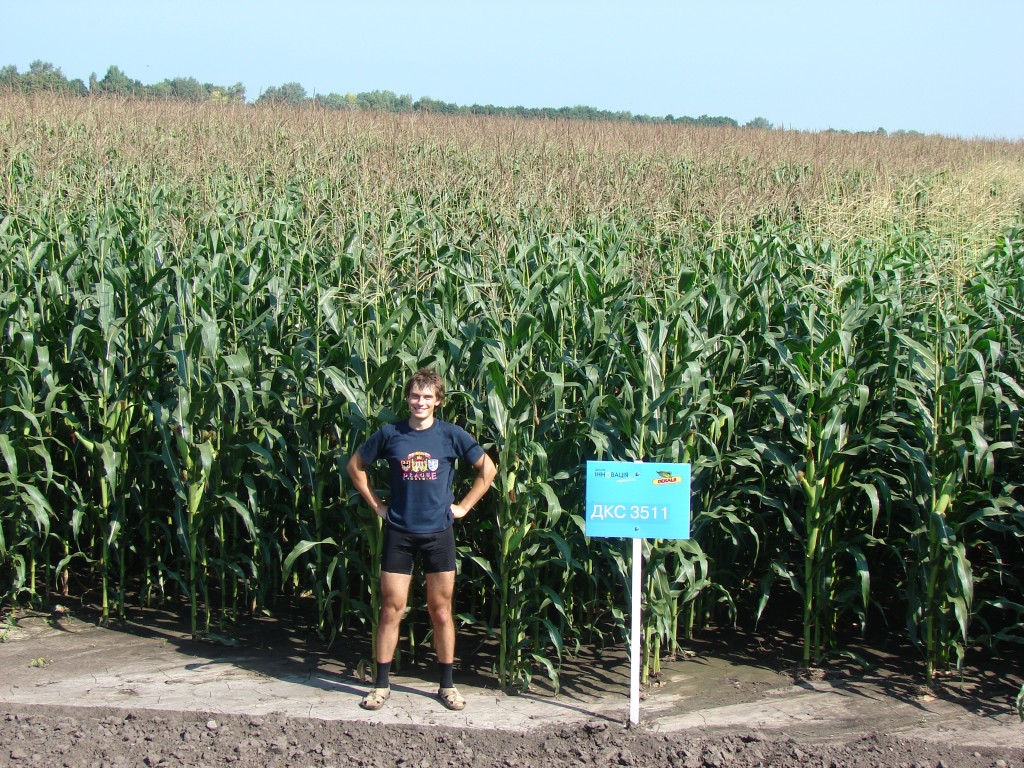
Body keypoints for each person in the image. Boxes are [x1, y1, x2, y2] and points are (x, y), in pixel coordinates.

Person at [346, 368, 497, 712]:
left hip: (438, 534)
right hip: (399, 533)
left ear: (438, 401)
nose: (420, 402)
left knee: (440, 611)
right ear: (407, 398)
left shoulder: (451, 435)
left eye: (428, 397)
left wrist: (464, 507)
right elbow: (355, 466)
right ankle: (381, 685)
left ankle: (447, 685)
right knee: (391, 609)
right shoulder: (390, 434)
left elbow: (487, 469)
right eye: (415, 395)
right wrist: (377, 506)